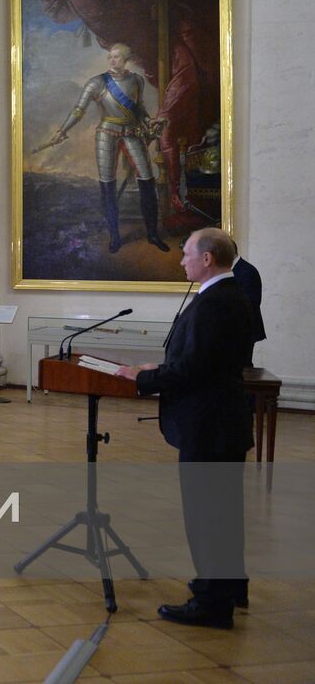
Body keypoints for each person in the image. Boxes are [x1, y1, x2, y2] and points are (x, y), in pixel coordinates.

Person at [117, 228, 255, 629]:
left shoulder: (216, 303)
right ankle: (230, 587)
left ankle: (211, 603)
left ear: (208, 258)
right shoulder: (227, 296)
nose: (181, 261)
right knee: (223, 512)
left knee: (207, 516)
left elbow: (195, 369)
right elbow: (203, 359)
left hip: (208, 426)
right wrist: (156, 368)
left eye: (187, 254)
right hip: (220, 422)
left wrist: (144, 380)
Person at [39, 42, 170, 254]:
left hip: (132, 133)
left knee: (147, 182)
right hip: (106, 135)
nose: (112, 60)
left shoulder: (137, 80)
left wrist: (150, 121)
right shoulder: (96, 83)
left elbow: (139, 109)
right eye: (110, 56)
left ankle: (152, 234)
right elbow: (79, 110)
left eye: (117, 57)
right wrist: (62, 131)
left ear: (126, 59)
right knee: (108, 186)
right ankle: (115, 237)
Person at [230, 244, 265, 349]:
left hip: (244, 331)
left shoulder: (247, 271)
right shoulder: (225, 271)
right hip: (227, 331)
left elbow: (252, 302)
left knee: (243, 365)